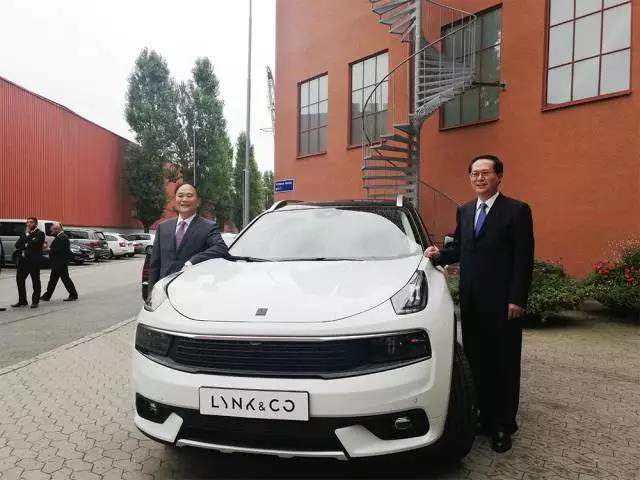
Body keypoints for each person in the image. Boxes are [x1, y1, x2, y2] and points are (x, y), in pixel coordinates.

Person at [424, 154, 534, 453]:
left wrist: (517, 298)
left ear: (499, 176)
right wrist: (438, 255)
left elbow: (523, 259)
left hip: (503, 305)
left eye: (485, 173)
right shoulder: (465, 210)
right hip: (472, 303)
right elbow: (460, 249)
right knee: (476, 363)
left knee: (503, 364)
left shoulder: (517, 211)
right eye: (474, 173)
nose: (479, 178)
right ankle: (483, 418)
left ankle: (503, 425)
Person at [148, 183, 229, 294]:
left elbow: (221, 247)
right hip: (165, 291)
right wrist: (151, 294)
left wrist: (194, 260)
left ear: (198, 202)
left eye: (189, 196)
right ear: (175, 200)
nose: (184, 199)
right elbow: (155, 265)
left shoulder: (208, 227)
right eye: (180, 196)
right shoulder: (163, 227)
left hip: (192, 291)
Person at [12, 217, 45, 308]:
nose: (29, 224)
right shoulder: (24, 233)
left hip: (34, 261)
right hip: (23, 261)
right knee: (20, 280)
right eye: (28, 222)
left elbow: (34, 244)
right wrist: (27, 241)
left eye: (31, 222)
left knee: (35, 281)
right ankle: (22, 301)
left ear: (36, 224)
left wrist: (27, 238)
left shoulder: (40, 233)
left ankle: (35, 301)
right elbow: (17, 245)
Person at [40, 222, 78, 302]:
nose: (51, 232)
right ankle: (47, 296)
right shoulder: (60, 237)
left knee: (65, 279)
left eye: (52, 231)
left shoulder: (62, 238)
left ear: (57, 229)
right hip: (57, 262)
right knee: (53, 280)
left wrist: (49, 249)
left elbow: (60, 250)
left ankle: (73, 295)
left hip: (60, 263)